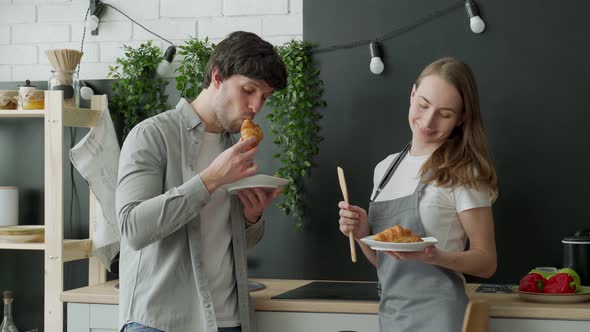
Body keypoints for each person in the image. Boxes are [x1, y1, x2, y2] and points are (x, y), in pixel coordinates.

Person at [116, 31, 287, 332]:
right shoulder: (152, 135)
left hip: (230, 320)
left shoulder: (234, 147)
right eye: (249, 90)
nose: (256, 107)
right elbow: (132, 228)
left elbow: (227, 243)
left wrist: (251, 218)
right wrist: (210, 179)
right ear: (218, 77)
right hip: (161, 323)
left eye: (264, 97)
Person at [338, 57, 498, 332]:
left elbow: (486, 262)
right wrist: (363, 231)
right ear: (412, 94)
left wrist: (435, 256)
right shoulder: (385, 169)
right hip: (391, 315)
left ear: (461, 119)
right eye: (423, 105)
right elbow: (385, 262)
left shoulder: (463, 173)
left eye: (445, 114)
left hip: (442, 318)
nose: (427, 120)